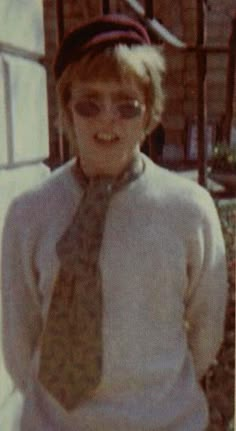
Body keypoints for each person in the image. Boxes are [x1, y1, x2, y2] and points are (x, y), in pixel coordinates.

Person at [1, 14, 228, 431]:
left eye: (127, 105)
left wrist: (156, 399)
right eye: (89, 103)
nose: (108, 119)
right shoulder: (28, 213)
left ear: (150, 115)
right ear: (67, 110)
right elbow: (19, 336)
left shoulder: (188, 211)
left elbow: (207, 326)